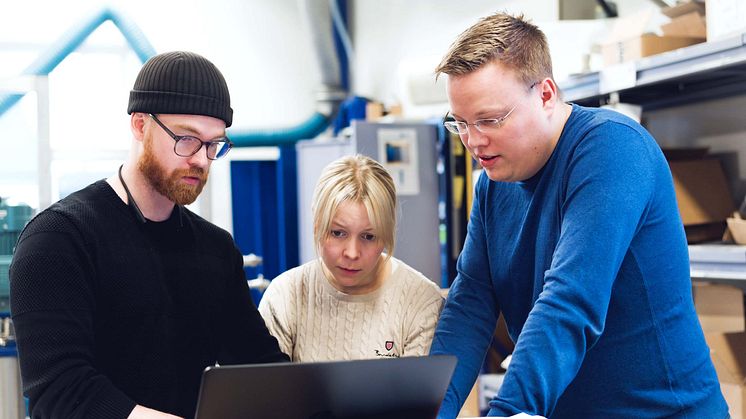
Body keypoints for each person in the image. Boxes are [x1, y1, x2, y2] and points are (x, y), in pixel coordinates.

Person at [429, 12, 728, 419]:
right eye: (460, 123)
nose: (473, 141)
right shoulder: (491, 186)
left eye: (490, 120)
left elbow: (570, 298)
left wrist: (508, 410)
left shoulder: (611, 150)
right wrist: (432, 409)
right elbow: (470, 306)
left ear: (546, 95)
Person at [9, 51, 289, 419]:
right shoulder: (58, 239)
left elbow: (259, 367)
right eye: (187, 139)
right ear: (140, 125)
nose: (202, 160)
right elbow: (62, 392)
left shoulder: (215, 250)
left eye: (214, 144)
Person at [258, 154, 444, 361]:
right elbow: (269, 391)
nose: (352, 253)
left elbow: (418, 392)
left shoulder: (421, 301)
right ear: (317, 225)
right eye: (338, 233)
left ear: (387, 233)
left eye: (369, 236)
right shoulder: (285, 296)